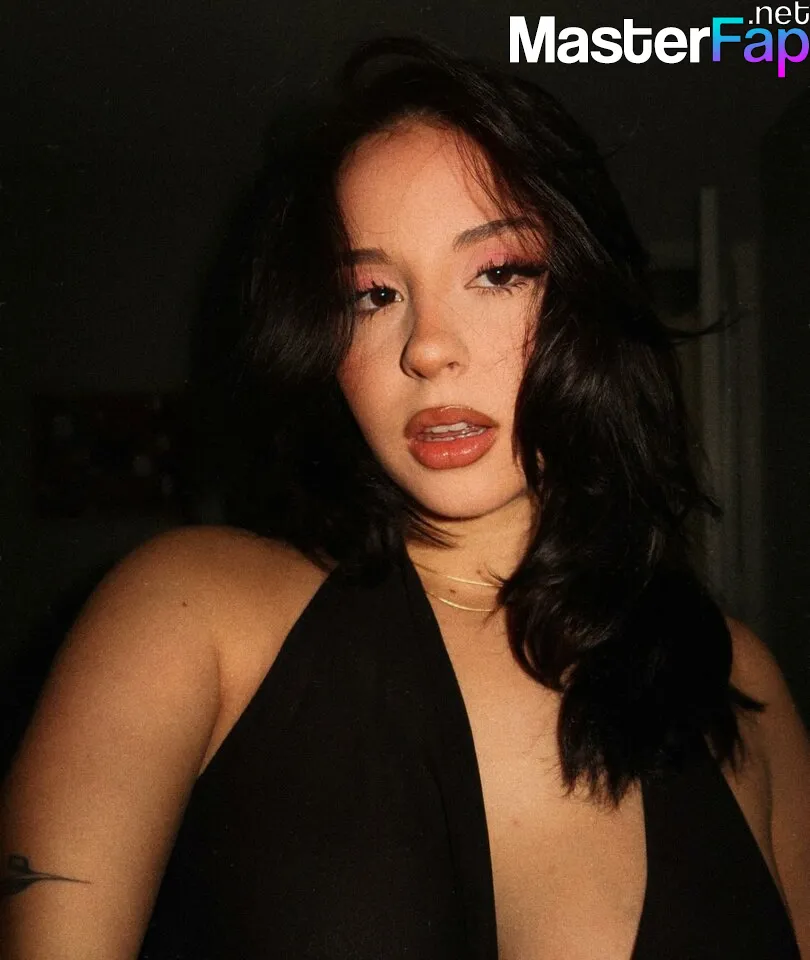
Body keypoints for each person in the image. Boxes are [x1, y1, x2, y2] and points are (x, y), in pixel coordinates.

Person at [1, 35, 808, 960]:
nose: (427, 348)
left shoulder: (738, 681)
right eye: (374, 294)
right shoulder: (189, 614)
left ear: (587, 298)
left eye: (496, 273)